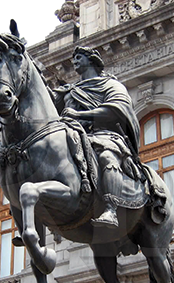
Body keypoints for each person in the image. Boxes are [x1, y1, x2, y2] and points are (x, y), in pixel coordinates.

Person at [54, 46, 141, 228]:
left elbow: (116, 110)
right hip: (77, 135)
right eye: (74, 58)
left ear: (91, 59)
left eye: (79, 57)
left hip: (106, 136)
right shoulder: (71, 91)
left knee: (106, 157)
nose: (75, 61)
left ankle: (110, 209)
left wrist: (79, 115)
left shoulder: (111, 85)